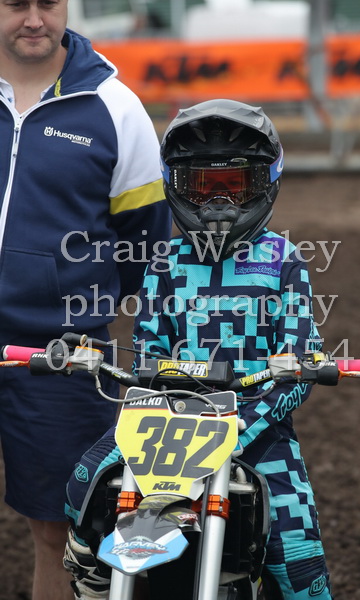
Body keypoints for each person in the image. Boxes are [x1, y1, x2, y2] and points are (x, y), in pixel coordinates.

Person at [64, 99, 333, 599]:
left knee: (299, 558)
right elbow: (147, 354)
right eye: (204, 186)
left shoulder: (283, 260)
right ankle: (93, 571)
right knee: (85, 480)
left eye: (235, 185)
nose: (219, 202)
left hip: (258, 429)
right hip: (171, 425)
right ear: (177, 184)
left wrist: (244, 423)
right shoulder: (164, 262)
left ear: (265, 182)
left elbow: (301, 359)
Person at [0, 1, 171, 599]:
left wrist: (67, 305)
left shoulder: (115, 108)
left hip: (63, 356)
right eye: (16, 3)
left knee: (62, 531)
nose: (34, 19)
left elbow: (144, 244)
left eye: (47, 3)